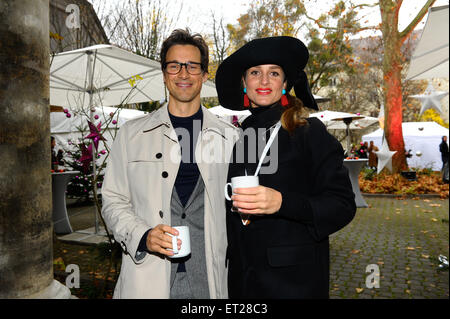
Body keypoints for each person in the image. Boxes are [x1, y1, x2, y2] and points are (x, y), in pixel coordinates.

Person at [215, 36, 356, 299]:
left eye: (274, 73)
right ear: (244, 84)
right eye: (255, 73)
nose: (264, 81)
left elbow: (342, 204)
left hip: (292, 284)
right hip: (243, 281)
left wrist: (282, 202)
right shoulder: (242, 137)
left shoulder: (307, 132)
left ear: (285, 84)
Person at [101, 29, 238, 299]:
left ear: (204, 75)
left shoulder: (230, 137)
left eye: (192, 66)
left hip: (210, 281)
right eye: (174, 66)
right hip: (147, 279)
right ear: (164, 74)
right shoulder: (131, 134)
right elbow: (113, 200)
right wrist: (142, 235)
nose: (183, 74)